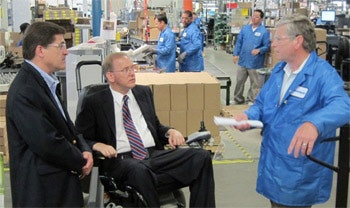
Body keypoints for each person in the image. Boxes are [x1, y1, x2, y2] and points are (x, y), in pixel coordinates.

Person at [233, 14, 350, 207]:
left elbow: (343, 105)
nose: (273, 44)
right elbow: (262, 104)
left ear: (298, 41)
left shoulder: (322, 74)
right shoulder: (280, 70)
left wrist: (314, 123)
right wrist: (248, 116)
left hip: (299, 170)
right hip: (273, 164)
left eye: (278, 39)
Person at [75, 52, 215, 207]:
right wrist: (97, 145)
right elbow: (80, 137)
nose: (132, 73)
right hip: (122, 160)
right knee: (139, 170)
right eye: (125, 70)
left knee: (201, 157)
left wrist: (170, 131)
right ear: (110, 76)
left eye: (132, 68)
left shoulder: (143, 92)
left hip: (152, 155)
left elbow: (156, 127)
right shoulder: (94, 101)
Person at [6, 21, 93, 207]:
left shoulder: (47, 83)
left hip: (60, 184)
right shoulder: (25, 91)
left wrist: (85, 148)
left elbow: (68, 127)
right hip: (42, 192)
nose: (66, 51)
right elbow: (47, 142)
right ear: (40, 50)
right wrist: (80, 160)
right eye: (60, 45)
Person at [232, 9, 270, 105]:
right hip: (243, 60)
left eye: (257, 17)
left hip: (255, 62)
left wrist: (259, 50)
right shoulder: (245, 29)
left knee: (254, 83)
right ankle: (238, 99)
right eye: (253, 16)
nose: (254, 18)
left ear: (261, 19)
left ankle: (251, 100)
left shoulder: (264, 32)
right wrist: (235, 54)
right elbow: (239, 42)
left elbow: (267, 46)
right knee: (239, 81)